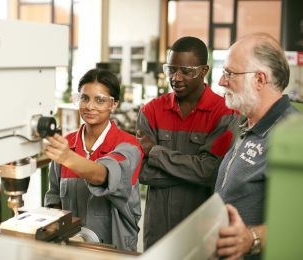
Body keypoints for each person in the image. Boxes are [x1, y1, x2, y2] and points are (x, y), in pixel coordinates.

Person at [136, 36, 240, 250]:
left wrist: (154, 152)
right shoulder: (150, 111)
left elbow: (211, 172)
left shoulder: (225, 113)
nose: (176, 78)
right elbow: (142, 172)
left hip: (202, 226)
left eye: (186, 71)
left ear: (204, 71)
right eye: (171, 69)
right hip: (158, 228)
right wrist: (193, 172)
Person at [214, 32, 301, 260]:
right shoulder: (247, 125)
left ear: (260, 80)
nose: (221, 81)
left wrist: (252, 238)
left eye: (229, 73)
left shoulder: (291, 137)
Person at [44, 68, 144, 251]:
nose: (90, 106)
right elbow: (54, 196)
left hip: (114, 248)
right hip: (71, 247)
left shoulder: (129, 146)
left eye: (100, 100)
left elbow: (103, 175)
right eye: (84, 98)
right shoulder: (67, 143)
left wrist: (67, 157)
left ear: (113, 105)